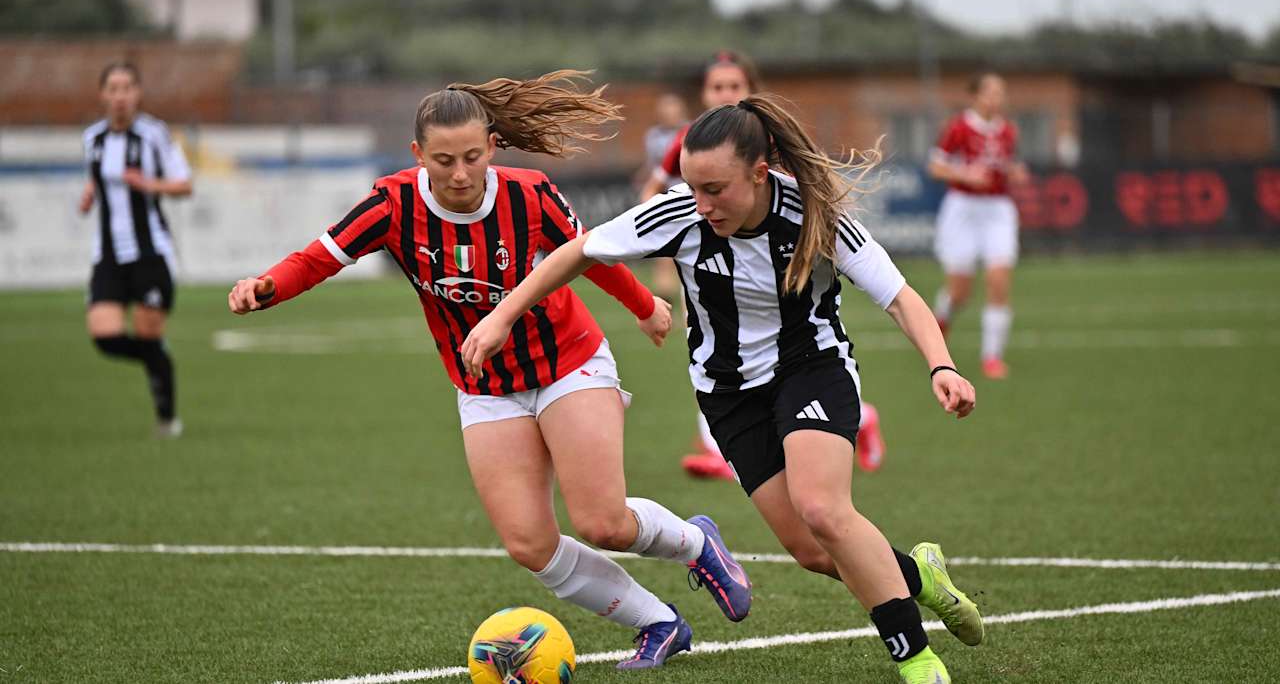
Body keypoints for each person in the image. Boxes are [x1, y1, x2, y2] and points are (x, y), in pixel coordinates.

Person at [226, 71, 752, 671]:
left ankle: (696, 543)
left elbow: (591, 253)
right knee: (530, 544)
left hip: (567, 362)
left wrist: (644, 307)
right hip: (484, 388)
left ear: (493, 148)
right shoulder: (392, 204)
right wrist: (265, 286)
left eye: (472, 157)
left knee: (602, 521)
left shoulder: (529, 194)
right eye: (443, 159)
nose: (458, 174)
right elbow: (317, 259)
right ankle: (659, 623)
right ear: (417, 154)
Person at [462, 96, 982, 684]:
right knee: (814, 552)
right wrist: (503, 315)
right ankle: (923, 577)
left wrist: (941, 365)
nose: (702, 205)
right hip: (729, 394)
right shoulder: (679, 214)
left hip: (810, 367)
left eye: (716, 189)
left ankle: (917, 660)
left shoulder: (814, 215)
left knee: (823, 509)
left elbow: (900, 297)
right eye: (693, 188)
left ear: (760, 173)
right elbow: (576, 253)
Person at [641, 51, 886, 479]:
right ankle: (721, 450)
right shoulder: (689, 141)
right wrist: (665, 228)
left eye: (734, 87)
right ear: (704, 92)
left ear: (751, 91)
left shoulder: (769, 144)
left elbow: (812, 198)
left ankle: (858, 419)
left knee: (789, 358)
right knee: (707, 347)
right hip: (708, 263)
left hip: (773, 271)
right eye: (717, 87)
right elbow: (653, 193)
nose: (725, 94)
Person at [80, 62, 192, 439]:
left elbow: (184, 185)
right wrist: (90, 193)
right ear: (102, 95)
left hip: (150, 252)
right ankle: (158, 359)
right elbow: (97, 177)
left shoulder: (154, 135)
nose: (120, 96)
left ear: (137, 94)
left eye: (127, 87)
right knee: (105, 336)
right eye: (113, 88)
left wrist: (147, 184)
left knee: (146, 335)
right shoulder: (92, 138)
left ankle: (167, 420)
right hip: (109, 255)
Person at [927, 72, 1029, 380]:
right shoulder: (959, 127)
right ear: (976, 95)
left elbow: (1009, 165)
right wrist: (966, 174)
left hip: (997, 209)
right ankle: (941, 319)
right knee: (960, 292)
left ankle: (992, 357)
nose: (996, 99)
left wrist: (1015, 173)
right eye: (990, 92)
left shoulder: (1008, 131)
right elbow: (935, 166)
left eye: (1001, 93)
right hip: (963, 208)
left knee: (998, 279)